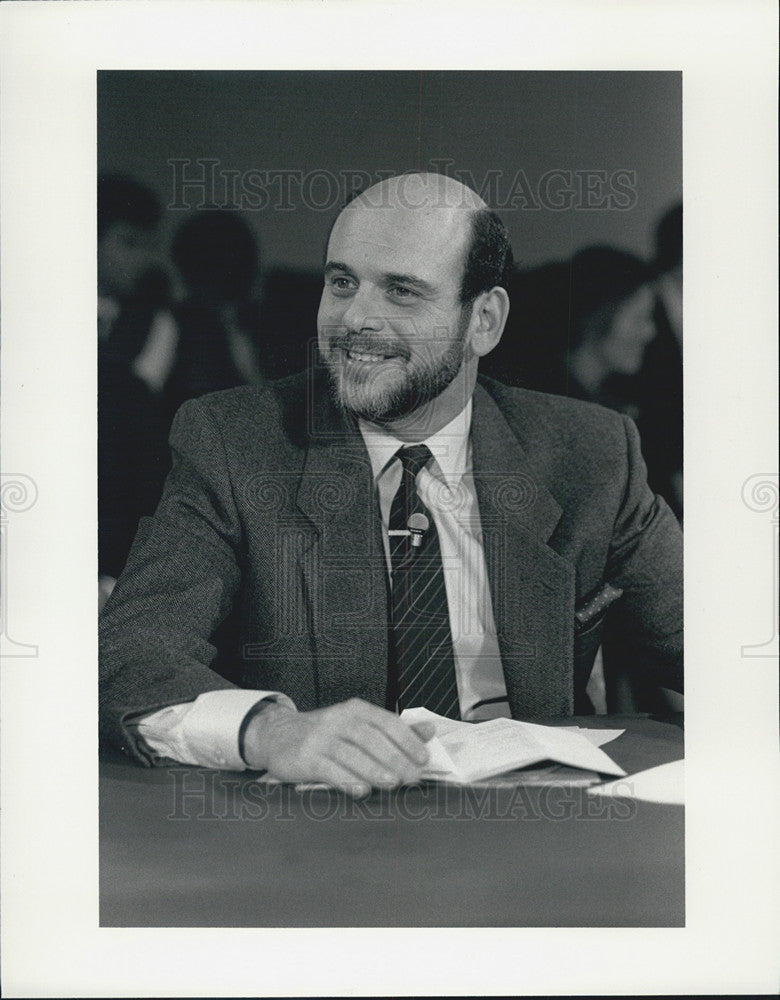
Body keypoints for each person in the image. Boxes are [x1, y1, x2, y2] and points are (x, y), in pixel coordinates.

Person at [99, 172, 683, 796]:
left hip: (538, 833)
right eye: (342, 283)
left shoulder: (590, 453)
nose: (355, 319)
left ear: (483, 320)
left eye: (402, 292)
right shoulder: (235, 443)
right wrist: (270, 730)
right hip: (322, 843)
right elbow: (131, 657)